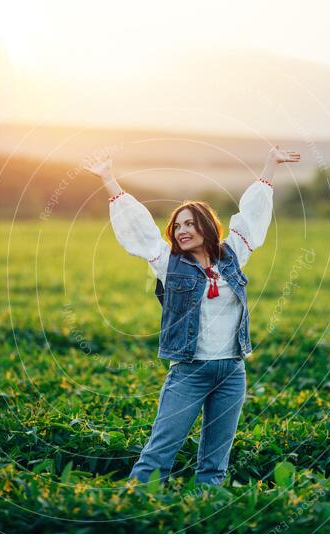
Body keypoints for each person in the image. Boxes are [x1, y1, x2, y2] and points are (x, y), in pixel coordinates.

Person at [83, 146, 300, 487]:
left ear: (206, 227)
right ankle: (131, 509)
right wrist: (109, 179)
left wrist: (271, 165)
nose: (181, 230)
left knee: (215, 465)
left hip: (232, 371)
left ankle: (203, 517)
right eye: (177, 225)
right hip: (190, 371)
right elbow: (139, 228)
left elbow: (253, 218)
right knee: (158, 455)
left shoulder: (232, 256)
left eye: (189, 223)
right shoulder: (168, 264)